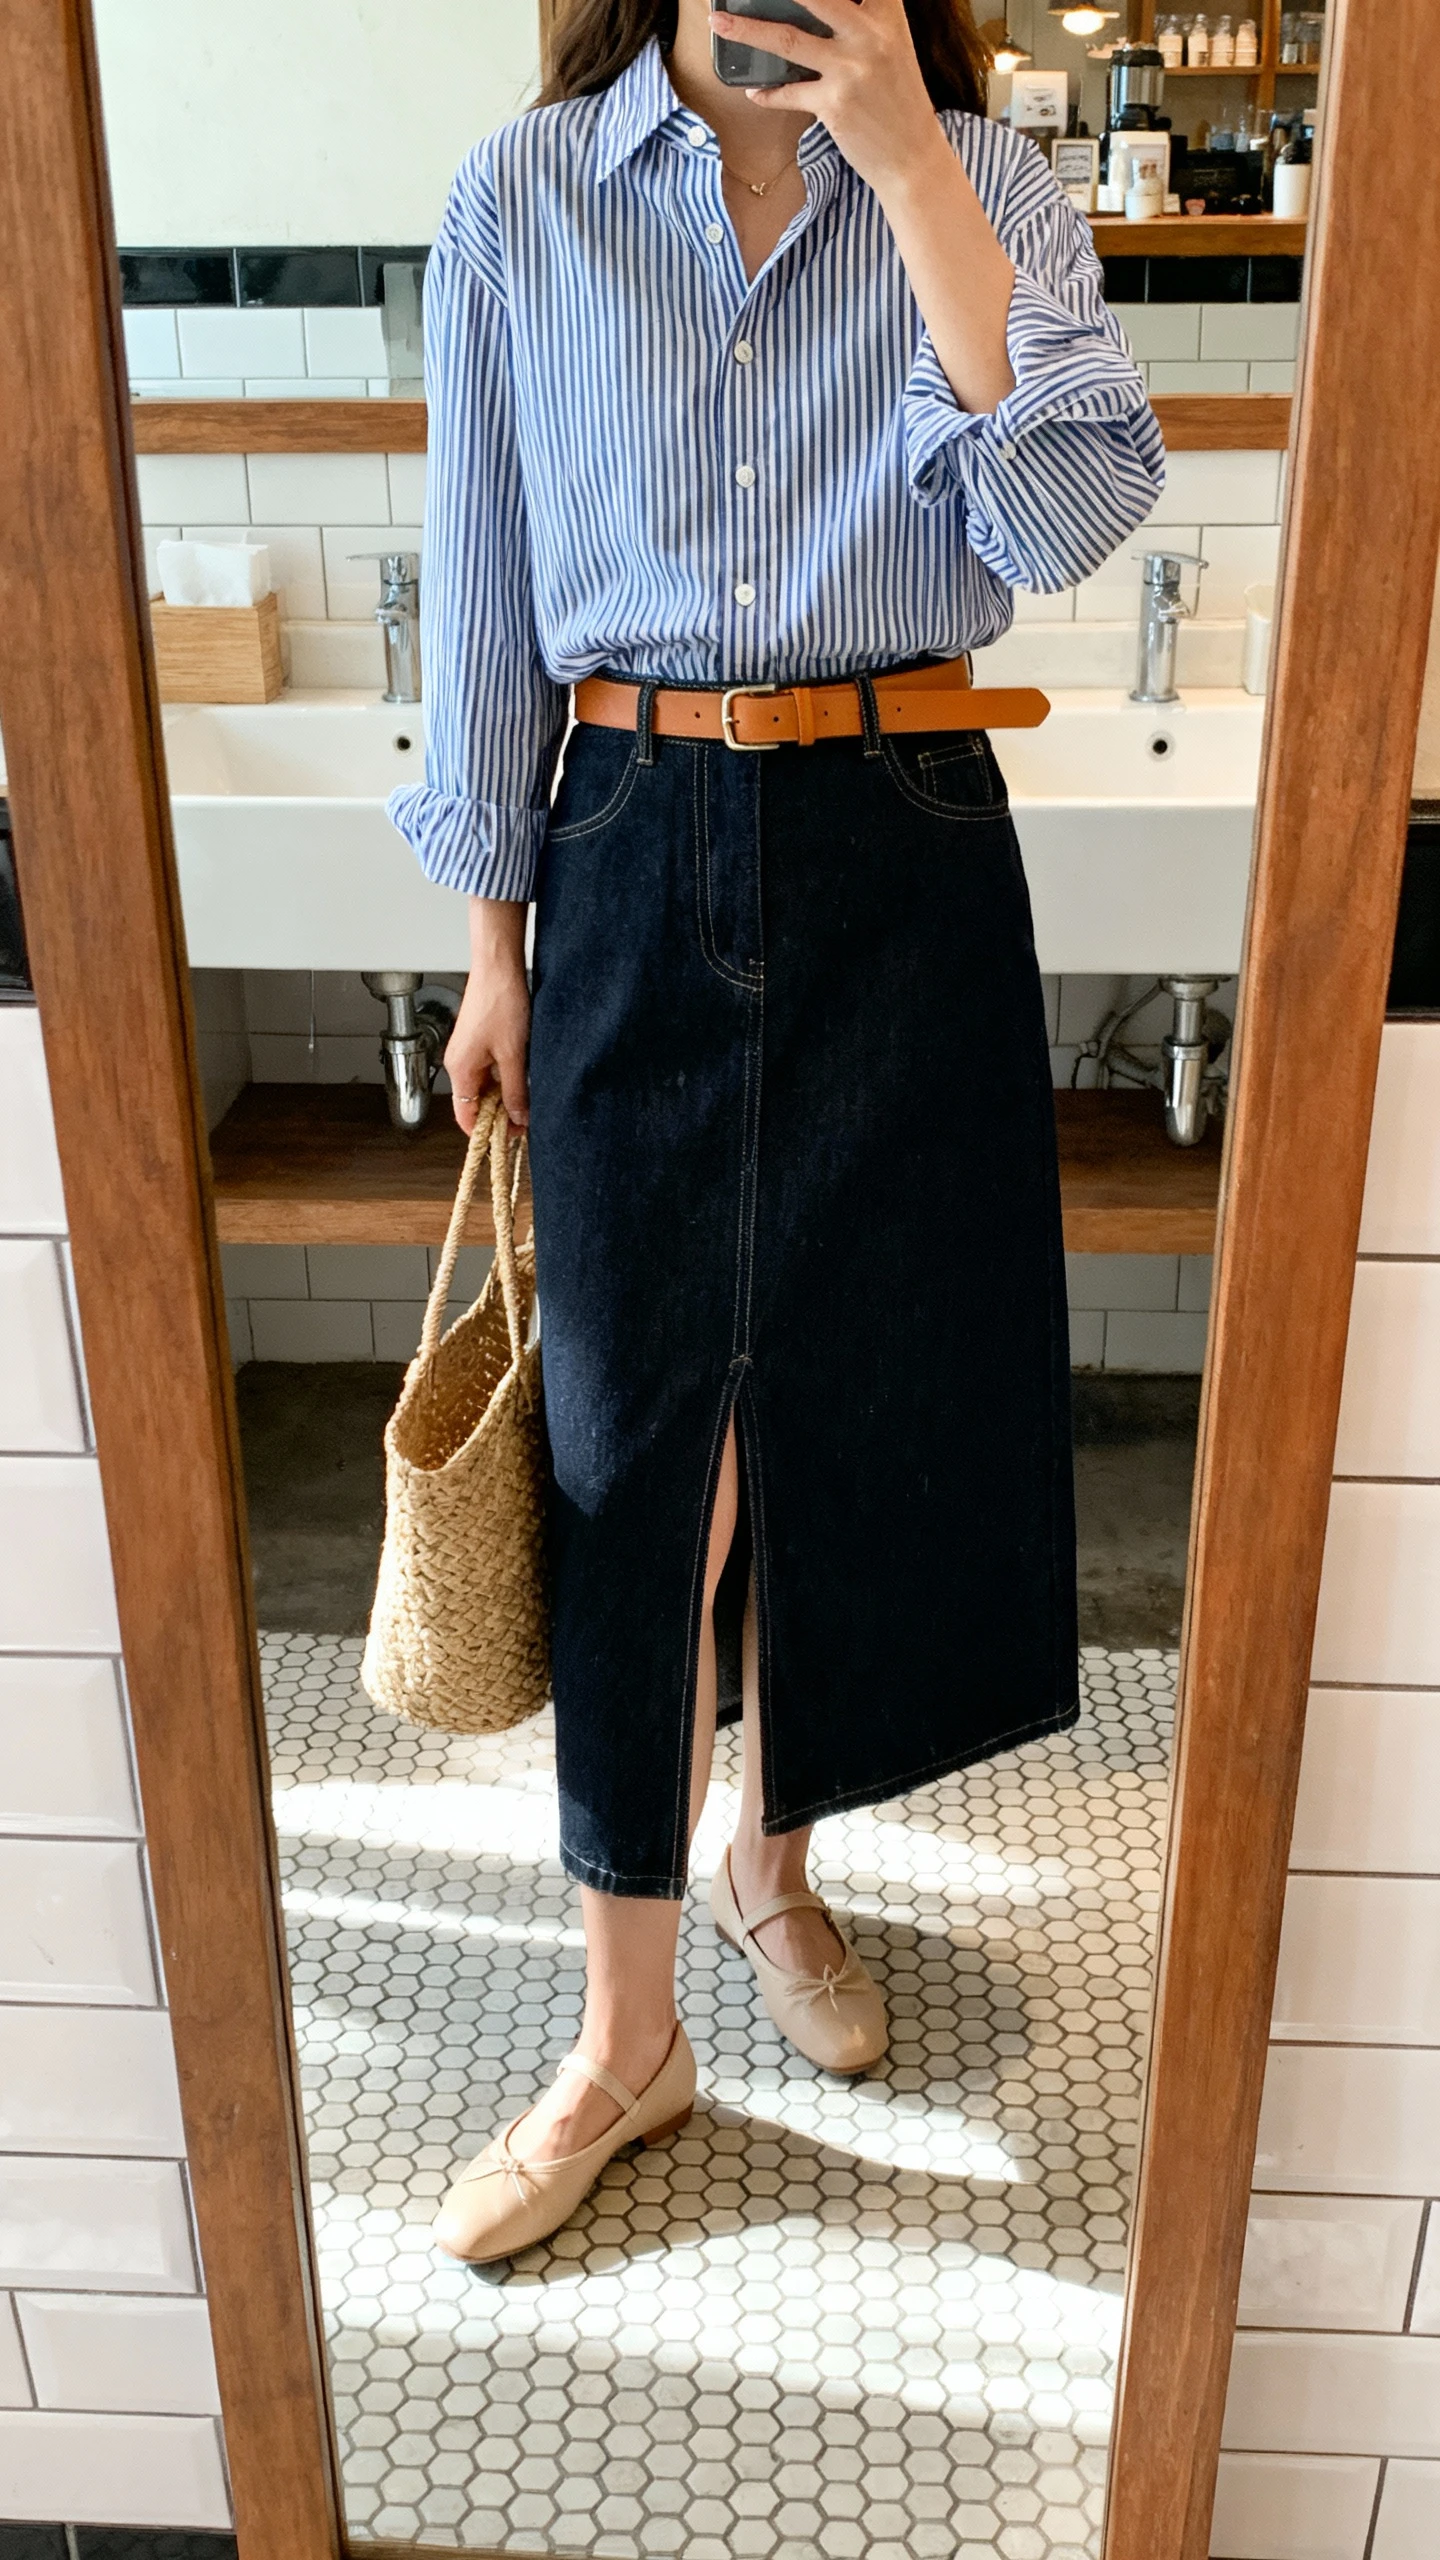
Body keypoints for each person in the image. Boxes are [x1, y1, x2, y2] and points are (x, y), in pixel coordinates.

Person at [388, 0, 1163, 2264]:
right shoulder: (524, 196)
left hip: (899, 824)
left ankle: (776, 1857)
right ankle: (625, 2021)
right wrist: (498, 942)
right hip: (624, 826)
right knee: (640, 1449)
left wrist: (918, 169)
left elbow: (1069, 508)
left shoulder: (988, 184)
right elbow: (488, 595)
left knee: (848, 1402)